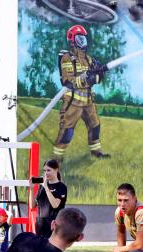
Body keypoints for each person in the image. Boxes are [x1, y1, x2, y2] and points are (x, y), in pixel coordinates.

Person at [54, 25, 109, 159]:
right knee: (67, 132)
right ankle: (56, 159)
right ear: (72, 40)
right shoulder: (67, 58)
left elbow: (96, 79)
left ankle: (96, 152)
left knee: (95, 126)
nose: (83, 41)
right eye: (79, 38)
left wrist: (99, 74)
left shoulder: (88, 59)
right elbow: (68, 81)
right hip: (73, 102)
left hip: (88, 101)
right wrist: (87, 80)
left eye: (83, 38)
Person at [33, 159, 67, 238]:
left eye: (48, 170)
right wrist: (31, 189)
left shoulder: (61, 187)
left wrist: (46, 187)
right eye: (44, 171)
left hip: (53, 224)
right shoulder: (41, 186)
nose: (46, 173)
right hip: (40, 224)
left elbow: (55, 205)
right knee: (40, 245)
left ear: (56, 170)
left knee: (50, 245)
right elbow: (32, 205)